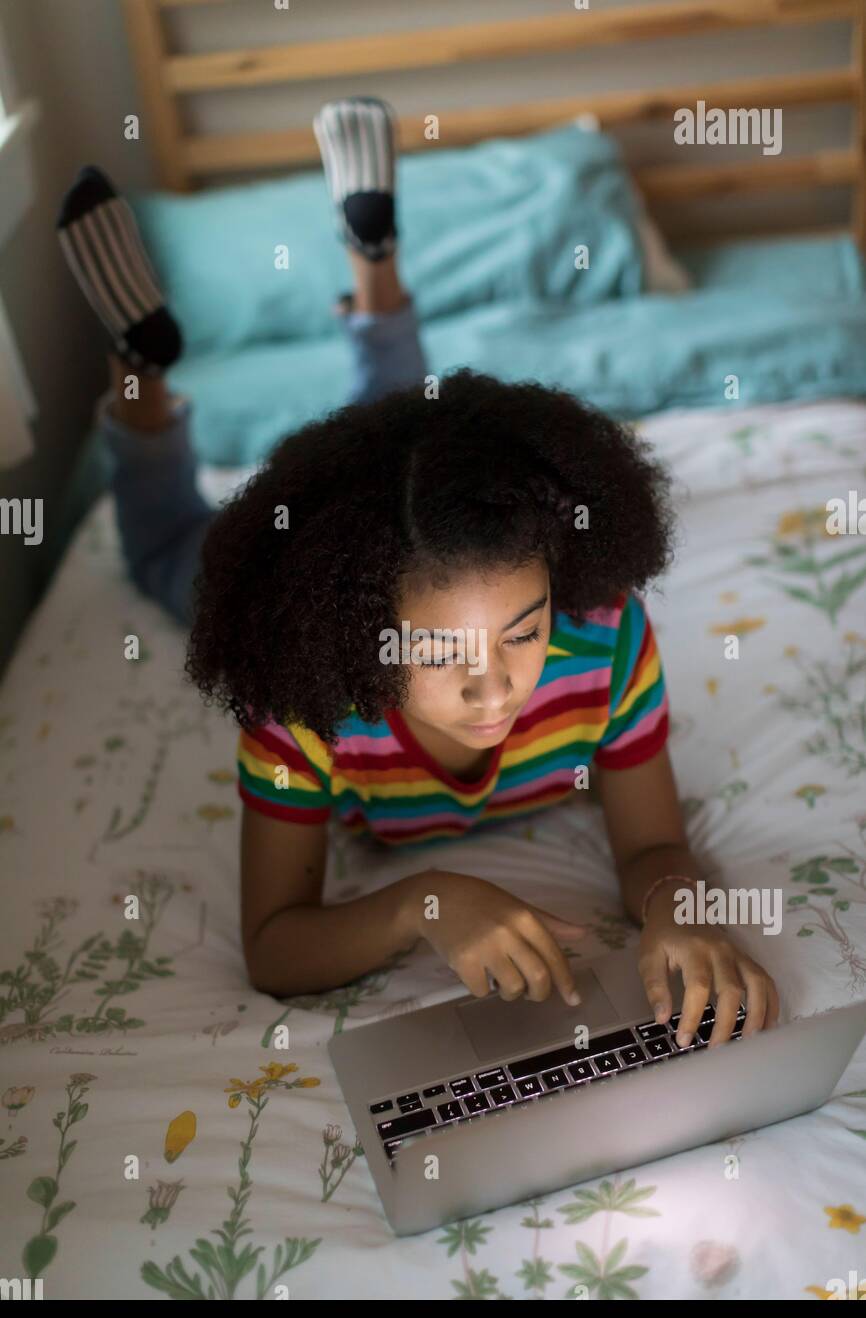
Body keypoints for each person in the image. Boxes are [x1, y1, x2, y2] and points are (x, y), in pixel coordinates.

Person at [57, 97, 779, 1048]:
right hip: (300, 558)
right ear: (359, 625)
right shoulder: (302, 689)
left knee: (410, 446)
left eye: (524, 632)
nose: (495, 687)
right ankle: (142, 363)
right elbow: (275, 946)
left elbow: (652, 846)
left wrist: (678, 912)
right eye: (439, 652)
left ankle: (374, 257)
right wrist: (426, 905)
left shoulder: (604, 634)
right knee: (165, 548)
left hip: (401, 508)